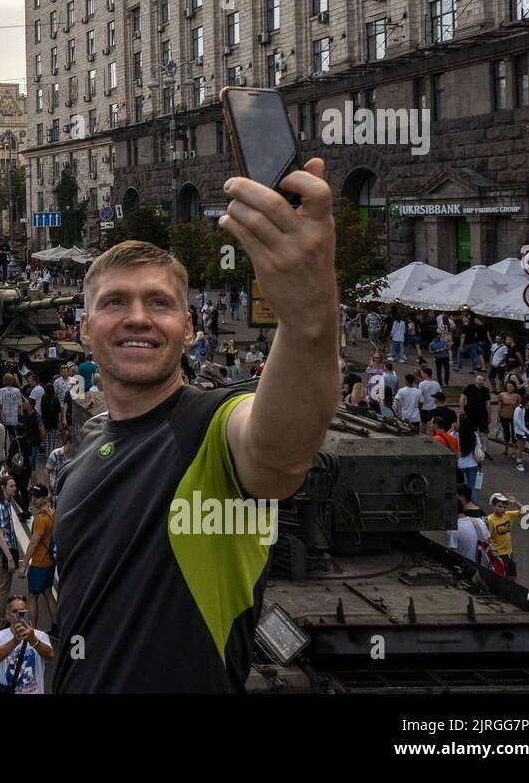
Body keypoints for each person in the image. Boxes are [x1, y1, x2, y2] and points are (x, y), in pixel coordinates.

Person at [56, 164, 338, 693]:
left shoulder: (212, 426)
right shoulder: (90, 439)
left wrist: (309, 317)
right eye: (115, 301)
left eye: (159, 303)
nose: (138, 317)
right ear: (85, 328)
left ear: (188, 329)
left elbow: (279, 450)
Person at [0, 594, 55, 694]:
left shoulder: (40, 636)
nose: (18, 614)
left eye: (22, 611)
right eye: (14, 611)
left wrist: (34, 641)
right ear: (7, 615)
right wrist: (14, 642)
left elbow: (50, 656)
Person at [0, 475, 24, 633]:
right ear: (3, 488)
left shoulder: (5, 502)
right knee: (3, 588)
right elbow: (0, 535)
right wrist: (9, 558)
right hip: (3, 553)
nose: (15, 488)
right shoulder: (0, 507)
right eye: (11, 486)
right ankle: (0, 623)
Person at [21, 484, 58, 634]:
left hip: (39, 563)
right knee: (48, 593)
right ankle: (56, 626)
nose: (33, 500)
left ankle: (32, 631)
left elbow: (34, 543)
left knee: (32, 597)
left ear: (44, 498)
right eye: (31, 496)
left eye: (36, 497)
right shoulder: (51, 513)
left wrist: (24, 565)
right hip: (50, 562)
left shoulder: (41, 518)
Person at [486, 492, 526, 578]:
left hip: (509, 553)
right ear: (493, 506)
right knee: (501, 576)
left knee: (512, 576)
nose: (502, 509)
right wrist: (493, 553)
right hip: (499, 554)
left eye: (504, 507)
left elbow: (524, 510)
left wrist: (515, 502)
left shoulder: (508, 515)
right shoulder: (490, 520)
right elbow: (487, 538)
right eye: (499, 506)